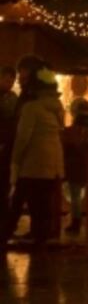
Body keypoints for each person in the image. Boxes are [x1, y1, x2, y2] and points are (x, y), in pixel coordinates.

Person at [2, 67, 65, 248]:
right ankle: (40, 240)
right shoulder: (56, 109)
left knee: (17, 203)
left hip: (31, 164)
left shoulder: (31, 108)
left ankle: (4, 236)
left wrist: (15, 161)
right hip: (51, 165)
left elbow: (23, 138)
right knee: (42, 205)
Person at [63, 76, 88, 235]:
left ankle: (76, 221)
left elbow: (68, 146)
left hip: (75, 164)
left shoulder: (72, 131)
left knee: (75, 195)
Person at [0, 66, 18, 228]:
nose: (10, 82)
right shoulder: (11, 99)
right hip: (5, 143)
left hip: (8, 146)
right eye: (7, 79)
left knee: (5, 183)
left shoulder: (13, 98)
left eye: (12, 79)